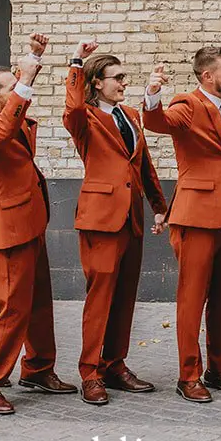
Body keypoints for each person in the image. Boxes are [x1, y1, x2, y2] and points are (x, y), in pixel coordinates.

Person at [0, 36, 78, 414]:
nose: (19, 94)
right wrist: (25, 78)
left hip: (30, 220)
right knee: (11, 309)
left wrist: (34, 57)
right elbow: (2, 134)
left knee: (39, 301)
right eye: (11, 90)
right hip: (6, 229)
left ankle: (38, 368)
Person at [143, 46, 221, 403]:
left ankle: (219, 370)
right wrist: (153, 94)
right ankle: (188, 376)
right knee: (192, 300)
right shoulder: (187, 104)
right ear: (208, 76)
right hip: (196, 215)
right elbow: (159, 122)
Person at [64, 41, 169, 406]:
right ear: (96, 82)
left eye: (124, 77)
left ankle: (115, 364)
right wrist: (77, 63)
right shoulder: (84, 118)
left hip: (132, 217)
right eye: (117, 77)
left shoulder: (131, 115)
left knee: (125, 296)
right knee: (100, 298)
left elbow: (143, 163)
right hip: (100, 218)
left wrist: (158, 205)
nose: (124, 83)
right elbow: (74, 105)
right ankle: (89, 372)